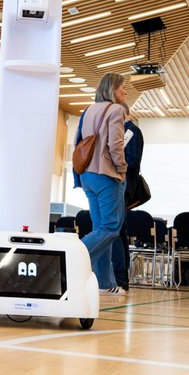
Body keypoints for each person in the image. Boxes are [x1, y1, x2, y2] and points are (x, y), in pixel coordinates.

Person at [74, 72, 128, 295]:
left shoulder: (88, 110)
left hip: (87, 175)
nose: (125, 92)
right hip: (106, 174)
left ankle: (105, 284)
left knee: (101, 228)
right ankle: (74, 256)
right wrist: (123, 168)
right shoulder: (116, 110)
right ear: (113, 88)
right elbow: (116, 145)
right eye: (123, 87)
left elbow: (78, 141)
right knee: (111, 227)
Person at [112, 104, 144, 291]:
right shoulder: (124, 131)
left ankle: (119, 279)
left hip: (122, 187)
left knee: (116, 233)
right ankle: (121, 278)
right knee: (119, 233)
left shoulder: (131, 132)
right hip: (120, 187)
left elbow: (130, 162)